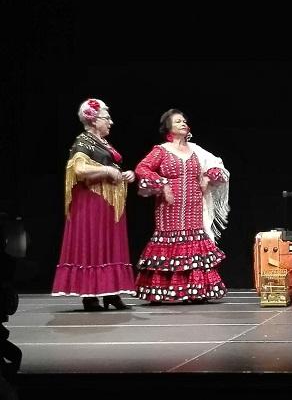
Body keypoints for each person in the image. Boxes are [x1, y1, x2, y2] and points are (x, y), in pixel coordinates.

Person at [134, 109, 230, 304]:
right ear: (168, 127)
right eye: (178, 121)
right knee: (169, 242)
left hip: (194, 207)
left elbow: (217, 165)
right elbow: (141, 168)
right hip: (169, 208)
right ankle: (162, 291)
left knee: (195, 242)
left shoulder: (196, 150)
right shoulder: (161, 150)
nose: (183, 123)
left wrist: (206, 175)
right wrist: (161, 183)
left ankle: (195, 291)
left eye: (184, 121)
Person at [52, 98, 136, 311]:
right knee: (95, 245)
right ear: (93, 120)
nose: (111, 122)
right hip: (91, 203)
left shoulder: (102, 143)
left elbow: (110, 165)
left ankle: (111, 293)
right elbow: (79, 170)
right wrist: (108, 171)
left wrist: (127, 173)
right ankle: (90, 296)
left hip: (108, 204)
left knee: (110, 246)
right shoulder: (83, 141)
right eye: (106, 118)